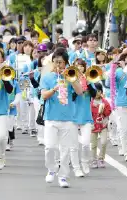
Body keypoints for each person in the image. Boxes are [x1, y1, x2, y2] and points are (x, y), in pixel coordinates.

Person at [40, 48, 82, 188]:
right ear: (52, 63)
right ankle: (51, 169)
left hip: (68, 118)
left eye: (61, 62)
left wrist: (72, 78)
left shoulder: (69, 76)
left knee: (65, 150)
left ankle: (63, 176)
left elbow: (80, 91)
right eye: (56, 62)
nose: (59, 65)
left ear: (66, 63)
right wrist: (54, 89)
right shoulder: (47, 77)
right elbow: (43, 95)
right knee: (50, 147)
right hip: (51, 117)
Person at [90, 83, 111, 168]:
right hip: (93, 126)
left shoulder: (104, 101)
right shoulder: (90, 102)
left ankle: (101, 158)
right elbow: (88, 113)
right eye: (96, 91)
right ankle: (94, 160)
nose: (98, 93)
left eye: (99, 91)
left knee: (104, 142)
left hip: (103, 125)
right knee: (93, 144)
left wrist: (103, 111)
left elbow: (109, 111)